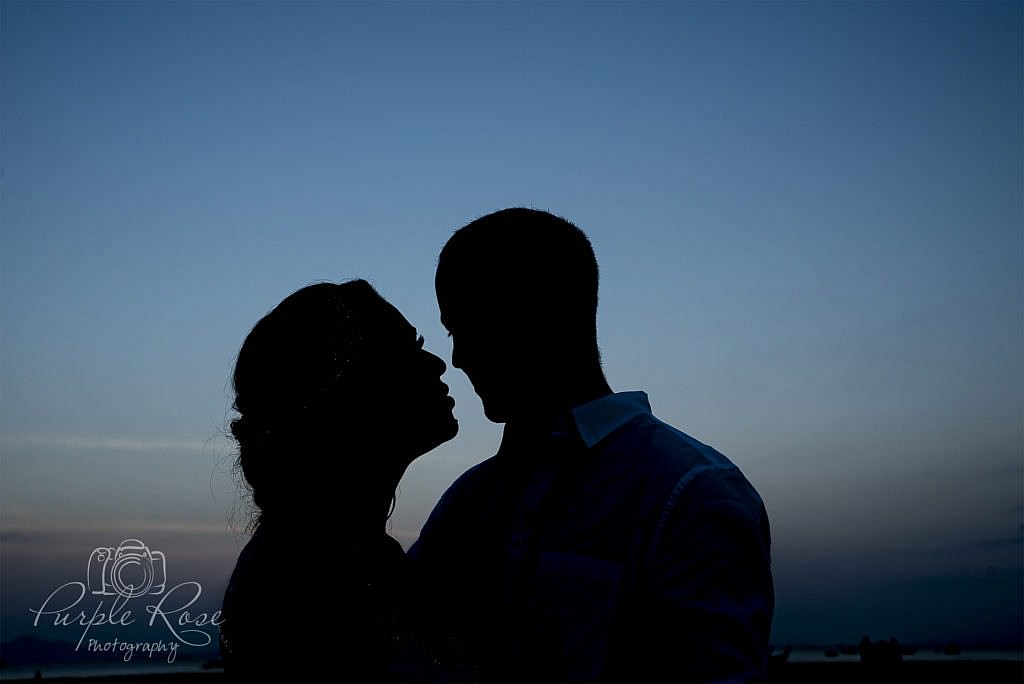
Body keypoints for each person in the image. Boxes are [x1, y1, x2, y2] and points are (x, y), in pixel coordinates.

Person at [409, 208, 774, 682]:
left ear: (540, 311)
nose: (458, 357)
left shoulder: (691, 492)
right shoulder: (467, 501)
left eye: (468, 326)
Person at [220, 280, 468, 682]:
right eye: (410, 350)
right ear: (351, 391)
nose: (438, 364)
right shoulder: (306, 577)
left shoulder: (342, 554)